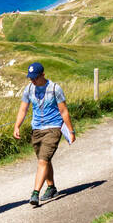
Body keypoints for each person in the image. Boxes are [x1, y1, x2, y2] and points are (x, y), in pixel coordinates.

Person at [13, 62, 76, 208]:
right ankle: (51, 187)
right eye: (30, 78)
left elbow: (64, 111)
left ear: (43, 75)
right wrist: (17, 125)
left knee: (43, 160)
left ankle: (35, 193)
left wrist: (71, 131)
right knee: (44, 159)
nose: (33, 81)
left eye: (35, 78)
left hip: (53, 128)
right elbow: (23, 109)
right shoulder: (29, 89)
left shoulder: (55, 88)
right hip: (36, 129)